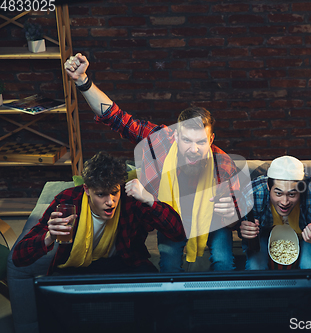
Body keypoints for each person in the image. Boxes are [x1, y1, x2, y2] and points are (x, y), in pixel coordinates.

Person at [64, 53, 240, 272]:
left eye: (201, 142)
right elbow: (117, 118)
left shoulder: (223, 165)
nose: (194, 149)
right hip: (172, 219)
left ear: (211, 139)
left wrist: (231, 214)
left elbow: (236, 220)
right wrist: (82, 81)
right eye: (187, 141)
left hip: (210, 222)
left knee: (223, 261)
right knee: (168, 265)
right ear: (176, 136)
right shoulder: (161, 141)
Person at [12, 152, 185, 275]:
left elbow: (178, 232)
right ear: (87, 189)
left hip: (123, 263)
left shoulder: (130, 199)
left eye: (114, 192)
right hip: (76, 268)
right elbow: (18, 258)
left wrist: (150, 200)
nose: (110, 202)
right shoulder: (67, 202)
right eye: (101, 194)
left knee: (154, 290)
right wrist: (48, 237)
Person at [239, 156, 311, 270]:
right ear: (268, 187)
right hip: (265, 235)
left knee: (310, 266)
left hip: (306, 237)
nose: (284, 202)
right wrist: (246, 232)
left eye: (292, 194)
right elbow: (246, 238)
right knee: (255, 267)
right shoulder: (253, 193)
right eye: (278, 194)